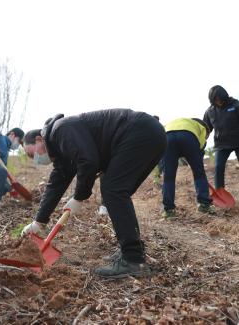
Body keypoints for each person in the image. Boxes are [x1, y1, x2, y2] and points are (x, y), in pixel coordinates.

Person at [21, 109, 166, 278]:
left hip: (139, 132)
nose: (35, 159)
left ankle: (133, 260)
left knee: (113, 191)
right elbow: (56, 183)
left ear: (39, 139)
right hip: (149, 134)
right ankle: (133, 252)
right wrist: (39, 221)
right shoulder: (60, 151)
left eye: (31, 154)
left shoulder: (60, 130)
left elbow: (88, 161)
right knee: (115, 192)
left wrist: (79, 197)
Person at [161, 118, 215, 218]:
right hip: (188, 137)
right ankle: (204, 204)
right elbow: (200, 149)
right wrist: (196, 164)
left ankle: (168, 211)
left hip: (166, 137)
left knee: (168, 176)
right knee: (199, 173)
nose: (206, 138)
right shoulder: (202, 128)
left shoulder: (177, 122)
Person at [203, 85, 239, 191]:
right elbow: (206, 129)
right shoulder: (210, 111)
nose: (218, 101)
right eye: (215, 100)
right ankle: (220, 191)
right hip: (221, 144)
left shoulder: (236, 105)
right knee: (218, 167)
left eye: (220, 98)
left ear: (224, 96)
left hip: (238, 141)